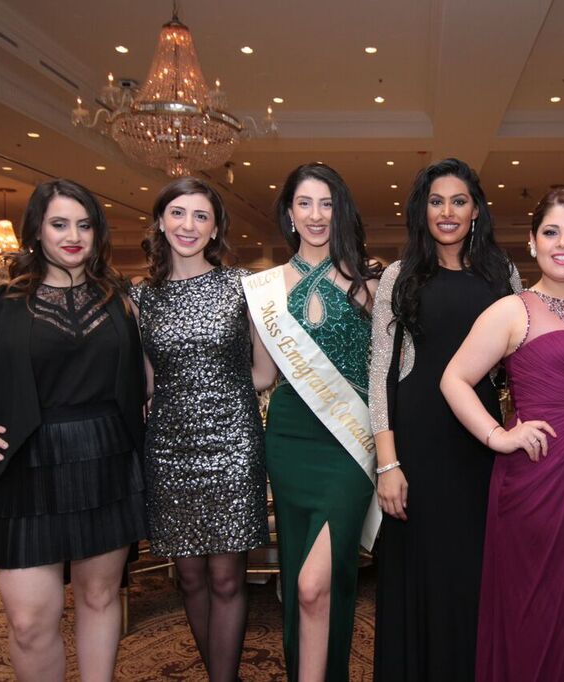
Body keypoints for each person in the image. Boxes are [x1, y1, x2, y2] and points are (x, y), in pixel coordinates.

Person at [0, 179, 147, 682]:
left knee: (99, 597)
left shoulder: (118, 295)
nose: (73, 236)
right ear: (36, 230)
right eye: (59, 224)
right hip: (23, 463)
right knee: (29, 621)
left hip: (106, 459)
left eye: (84, 225)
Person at [441, 187, 564, 681]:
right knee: (537, 611)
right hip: (538, 480)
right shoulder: (513, 310)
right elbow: (454, 379)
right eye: (551, 232)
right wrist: (496, 436)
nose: (563, 243)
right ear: (532, 242)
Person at [370, 158, 520, 682]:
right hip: (418, 442)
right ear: (422, 210)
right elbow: (381, 373)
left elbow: (521, 363)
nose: (448, 212)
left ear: (476, 209)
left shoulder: (502, 274)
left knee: (477, 572)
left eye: (459, 201)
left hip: (481, 444)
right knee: (422, 570)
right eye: (436, 202)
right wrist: (387, 463)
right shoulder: (399, 275)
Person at [131, 177, 269, 682]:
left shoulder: (243, 286)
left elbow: (263, 372)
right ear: (161, 221)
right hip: (169, 446)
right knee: (189, 579)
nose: (188, 225)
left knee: (228, 579)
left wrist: (218, 399)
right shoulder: (141, 297)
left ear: (215, 229)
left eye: (201, 216)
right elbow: (146, 381)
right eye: (178, 213)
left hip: (233, 441)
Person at [254, 162, 382, 682]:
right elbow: (263, 375)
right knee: (303, 584)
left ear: (341, 210)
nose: (315, 215)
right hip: (289, 439)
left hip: (348, 444)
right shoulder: (264, 289)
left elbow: (383, 373)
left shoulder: (369, 283)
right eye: (304, 203)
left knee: (313, 583)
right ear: (289, 212)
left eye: (327, 204)